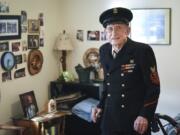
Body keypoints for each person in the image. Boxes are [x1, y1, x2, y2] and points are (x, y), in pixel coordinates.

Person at [91, 7, 160, 135]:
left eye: (119, 28)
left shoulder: (142, 51)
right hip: (110, 118)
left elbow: (153, 88)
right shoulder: (103, 50)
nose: (114, 32)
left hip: (134, 120)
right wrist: (100, 105)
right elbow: (107, 84)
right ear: (105, 32)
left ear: (128, 30)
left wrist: (144, 115)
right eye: (110, 29)